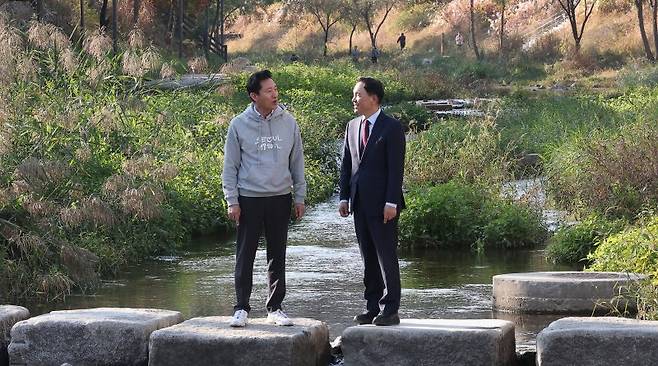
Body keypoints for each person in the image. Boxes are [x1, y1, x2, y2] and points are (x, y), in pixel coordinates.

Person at [222, 69, 307, 328]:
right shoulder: (238, 124)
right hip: (249, 198)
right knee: (245, 254)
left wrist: (299, 196)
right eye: (268, 91)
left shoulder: (289, 122)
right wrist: (231, 200)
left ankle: (275, 308)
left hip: (280, 196)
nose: (275, 94)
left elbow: (297, 161)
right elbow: (230, 166)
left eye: (275, 89)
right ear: (254, 96)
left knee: (277, 254)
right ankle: (241, 308)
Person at [338, 77, 406, 326]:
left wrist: (391, 202)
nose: (354, 99)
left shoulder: (391, 127)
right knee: (367, 256)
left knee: (385, 256)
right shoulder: (352, 126)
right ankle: (371, 306)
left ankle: (390, 309)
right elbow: (347, 165)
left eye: (358, 95)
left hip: (383, 205)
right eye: (354, 95)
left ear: (374, 98)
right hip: (358, 202)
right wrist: (344, 196)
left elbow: (395, 170)